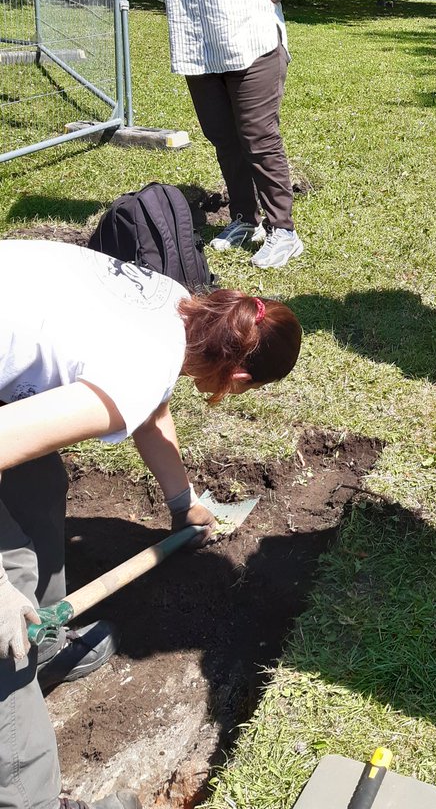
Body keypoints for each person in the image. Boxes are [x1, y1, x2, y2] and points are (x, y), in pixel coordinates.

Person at [0, 238, 302, 809]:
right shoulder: (139, 368)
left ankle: (45, 645)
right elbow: (135, 390)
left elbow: (148, 405)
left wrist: (183, 500)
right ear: (238, 379)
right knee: (3, 608)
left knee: (37, 482)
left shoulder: (173, 304)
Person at [126, 0, 325, 269]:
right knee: (223, 137)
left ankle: (283, 231)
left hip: (252, 42)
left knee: (257, 136)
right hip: (199, 47)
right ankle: (243, 217)